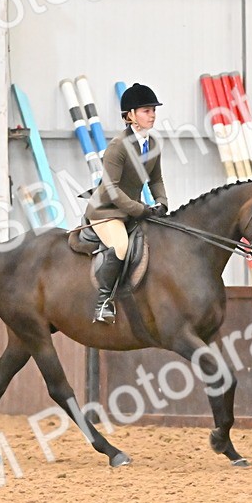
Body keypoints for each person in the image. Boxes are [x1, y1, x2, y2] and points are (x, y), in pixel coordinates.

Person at [84, 82, 169, 323]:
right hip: (106, 211)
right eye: (146, 111)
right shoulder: (117, 147)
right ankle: (103, 304)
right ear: (130, 116)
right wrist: (140, 209)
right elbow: (111, 189)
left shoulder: (152, 144)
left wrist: (161, 202)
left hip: (133, 210)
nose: (152, 115)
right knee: (120, 246)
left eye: (153, 110)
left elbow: (157, 179)